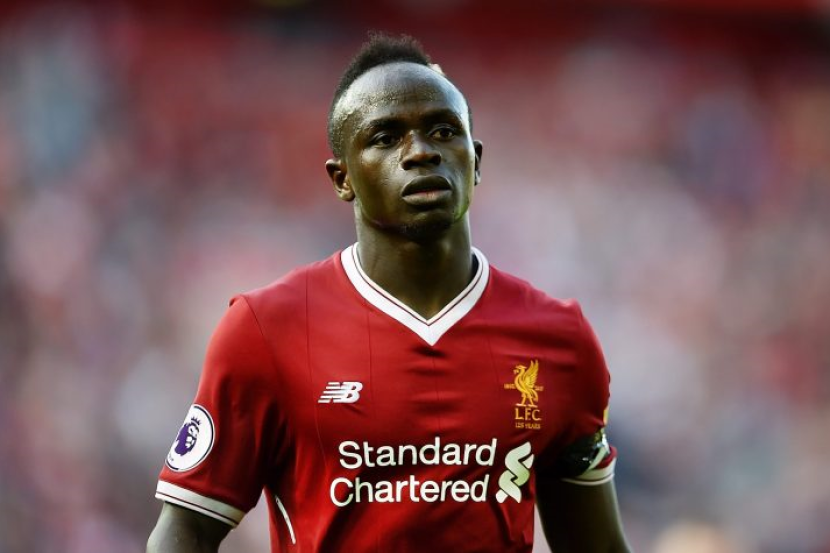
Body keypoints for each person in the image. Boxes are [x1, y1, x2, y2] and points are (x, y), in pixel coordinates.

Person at [147, 33, 630, 553]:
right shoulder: (266, 330)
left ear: (476, 159)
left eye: (443, 131)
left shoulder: (559, 340)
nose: (421, 152)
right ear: (342, 178)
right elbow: (184, 533)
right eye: (385, 137)